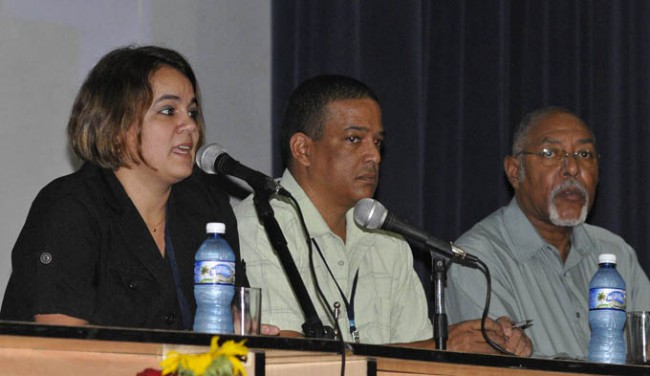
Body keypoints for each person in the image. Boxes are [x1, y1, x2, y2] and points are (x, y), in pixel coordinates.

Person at [234, 74, 532, 355]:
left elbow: (416, 365)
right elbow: (289, 359)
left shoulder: (389, 242)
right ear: (303, 149)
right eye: (354, 139)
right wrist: (442, 347)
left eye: (377, 142)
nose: (374, 156)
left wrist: (488, 347)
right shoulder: (258, 227)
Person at [0, 45, 253, 331]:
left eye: (192, 112)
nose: (190, 125)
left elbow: (232, 317)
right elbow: (63, 347)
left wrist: (243, 331)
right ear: (118, 125)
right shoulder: (69, 207)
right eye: (169, 110)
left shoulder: (207, 205)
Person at [446, 107, 650, 359]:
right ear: (514, 171)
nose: (572, 168)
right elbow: (496, 368)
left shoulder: (616, 253)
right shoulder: (477, 260)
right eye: (551, 153)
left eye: (584, 154)